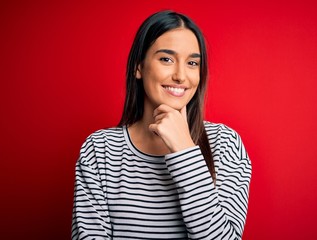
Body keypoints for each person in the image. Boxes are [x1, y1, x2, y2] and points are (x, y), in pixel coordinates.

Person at [72, 10, 252, 239]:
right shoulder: (99, 149)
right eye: (166, 59)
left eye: (192, 63)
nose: (180, 76)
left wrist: (186, 151)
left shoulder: (226, 144)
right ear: (139, 67)